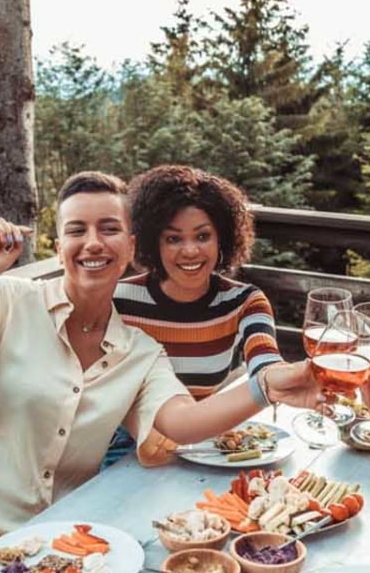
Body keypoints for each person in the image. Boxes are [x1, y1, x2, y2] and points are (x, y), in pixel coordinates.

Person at [0, 172, 323, 573]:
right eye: (77, 230)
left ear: (131, 246)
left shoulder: (139, 350)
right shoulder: (6, 299)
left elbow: (183, 422)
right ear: (59, 247)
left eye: (109, 228)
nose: (93, 242)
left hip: (58, 542)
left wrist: (267, 387)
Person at [103, 165, 283, 467]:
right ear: (152, 243)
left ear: (222, 240)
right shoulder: (118, 301)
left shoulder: (244, 301)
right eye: (173, 239)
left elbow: (266, 363)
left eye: (202, 236)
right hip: (125, 452)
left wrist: (286, 378)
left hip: (206, 447)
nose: (190, 251)